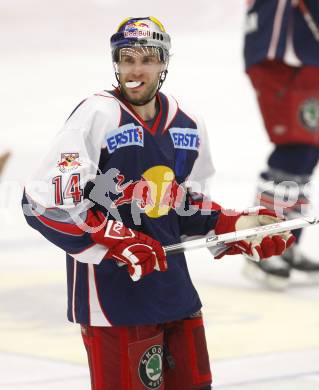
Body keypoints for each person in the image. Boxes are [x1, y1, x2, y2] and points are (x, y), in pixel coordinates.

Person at [22, 16, 294, 390]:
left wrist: (232, 226)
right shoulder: (97, 114)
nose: (136, 69)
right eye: (127, 59)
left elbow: (184, 204)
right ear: (115, 63)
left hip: (174, 293)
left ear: (164, 63)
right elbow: (43, 204)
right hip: (114, 301)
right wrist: (115, 237)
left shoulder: (187, 122)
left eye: (147, 59)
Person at [243, 0, 319, 289]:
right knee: (294, 149)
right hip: (279, 57)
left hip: (303, 56)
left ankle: (286, 241)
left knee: (308, 151)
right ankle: (260, 242)